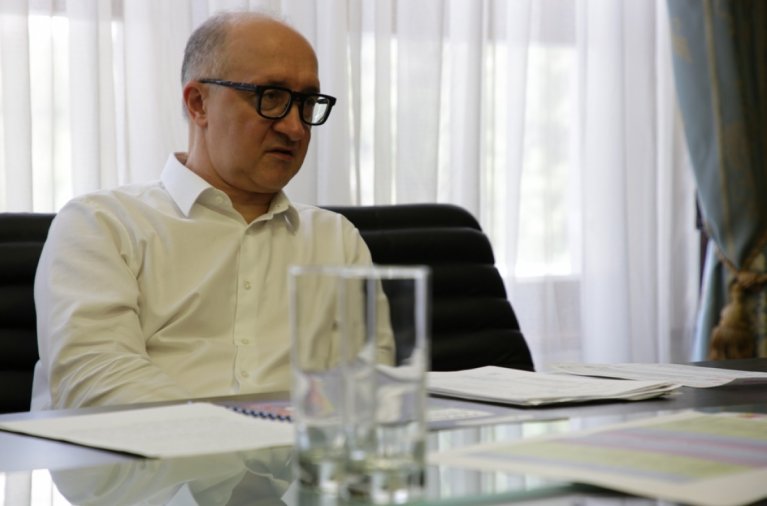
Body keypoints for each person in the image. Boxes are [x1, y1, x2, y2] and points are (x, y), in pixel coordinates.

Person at [31, 11, 394, 410]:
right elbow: (97, 382)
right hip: (147, 449)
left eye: (307, 103)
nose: (295, 128)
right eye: (271, 97)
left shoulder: (336, 239)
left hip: (296, 448)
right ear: (198, 103)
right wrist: (238, 439)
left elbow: (367, 383)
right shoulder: (101, 225)